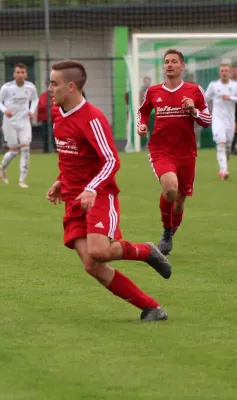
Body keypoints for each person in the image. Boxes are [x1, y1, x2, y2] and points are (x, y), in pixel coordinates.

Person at [45, 60, 171, 322]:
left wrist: (91, 187)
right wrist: (60, 181)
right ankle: (151, 308)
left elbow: (111, 160)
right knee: (92, 264)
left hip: (100, 194)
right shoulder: (57, 114)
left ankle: (145, 251)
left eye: (53, 83)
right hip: (73, 198)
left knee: (100, 252)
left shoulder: (92, 118)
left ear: (70, 86)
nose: (49, 88)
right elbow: (72, 156)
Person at [137, 49, 211, 256]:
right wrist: (141, 126)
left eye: (174, 62)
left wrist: (193, 111)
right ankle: (167, 231)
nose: (169, 65)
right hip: (160, 150)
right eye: (166, 62)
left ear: (182, 66)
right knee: (170, 189)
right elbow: (142, 111)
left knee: (179, 203)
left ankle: (170, 230)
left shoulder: (195, 90)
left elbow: (206, 121)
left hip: (186, 153)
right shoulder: (153, 91)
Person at [0, 63, 38, 188]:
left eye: (22, 72)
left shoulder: (30, 87)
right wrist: (5, 110)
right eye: (17, 72)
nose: (20, 75)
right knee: (14, 151)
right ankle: (2, 167)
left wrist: (32, 110)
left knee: (25, 149)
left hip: (24, 121)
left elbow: (35, 99)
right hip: (10, 122)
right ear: (14, 74)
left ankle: (22, 180)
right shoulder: (7, 87)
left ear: (26, 74)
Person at [205, 64, 237, 179]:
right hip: (218, 120)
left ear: (229, 73)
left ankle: (224, 165)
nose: (224, 72)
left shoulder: (235, 86)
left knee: (228, 146)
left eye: (226, 71)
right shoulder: (213, 85)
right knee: (221, 143)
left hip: (230, 120)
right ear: (219, 73)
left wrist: (230, 98)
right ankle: (223, 171)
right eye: (222, 70)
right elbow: (205, 99)